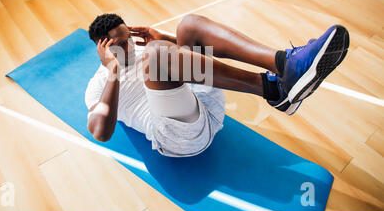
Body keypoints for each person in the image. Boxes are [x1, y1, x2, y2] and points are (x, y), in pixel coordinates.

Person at [84, 13, 349, 157]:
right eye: (119, 45)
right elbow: (101, 132)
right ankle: (272, 90)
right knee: (155, 53)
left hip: (205, 107)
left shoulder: (143, 50)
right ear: (101, 48)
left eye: (128, 38)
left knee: (188, 25)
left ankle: (281, 65)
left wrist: (164, 37)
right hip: (178, 137)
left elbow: (191, 60)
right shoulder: (98, 85)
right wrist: (113, 71)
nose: (128, 46)